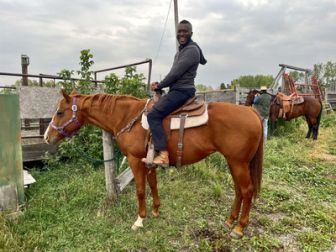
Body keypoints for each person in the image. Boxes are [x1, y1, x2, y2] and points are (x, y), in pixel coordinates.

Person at [145, 19, 207, 167]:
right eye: (179, 31)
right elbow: (173, 75)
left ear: (191, 33)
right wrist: (160, 87)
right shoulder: (181, 51)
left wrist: (159, 85)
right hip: (178, 89)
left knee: (153, 115)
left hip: (182, 91)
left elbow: (175, 74)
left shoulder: (191, 50)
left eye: (185, 31)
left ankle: (163, 154)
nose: (181, 34)